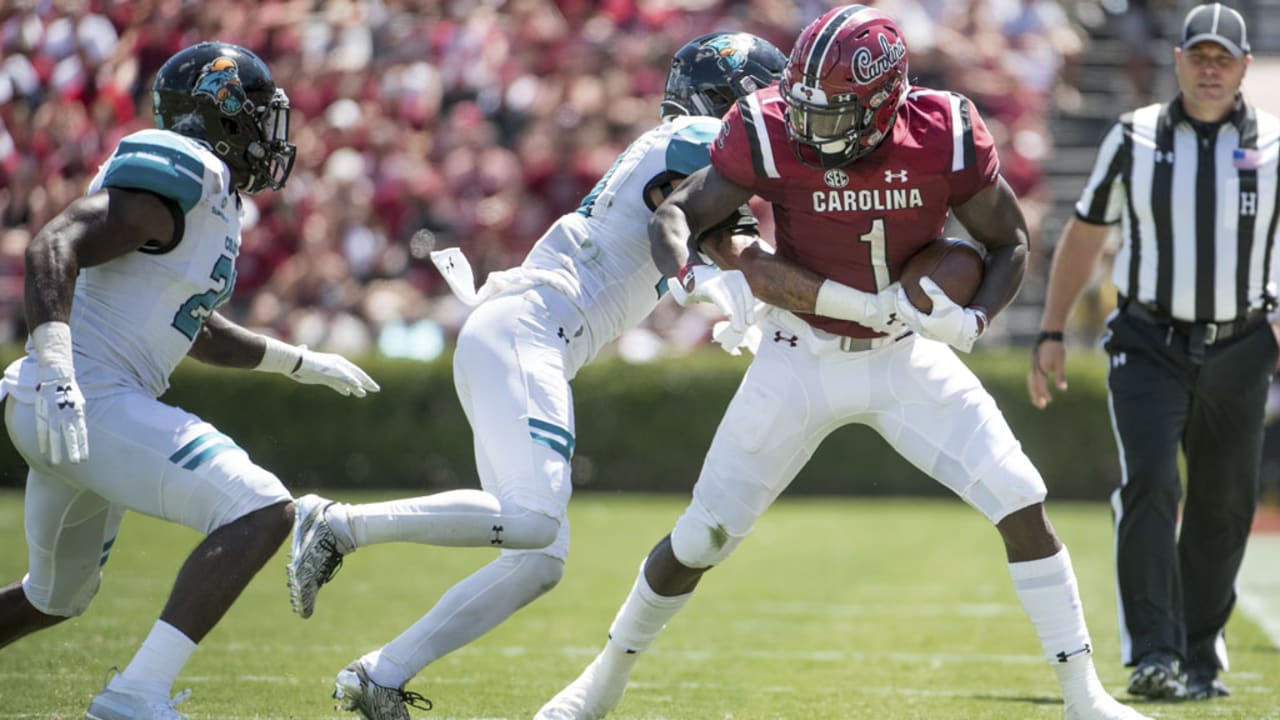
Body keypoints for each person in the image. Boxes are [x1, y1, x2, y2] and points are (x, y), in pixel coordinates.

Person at [536, 6, 1151, 720]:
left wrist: (974, 315)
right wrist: (699, 279)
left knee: (1020, 497)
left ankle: (1084, 695)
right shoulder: (770, 124)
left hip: (902, 355)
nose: (808, 126)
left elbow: (1010, 241)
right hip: (799, 353)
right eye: (803, 106)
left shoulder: (945, 131)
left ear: (886, 104)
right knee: (701, 535)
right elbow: (678, 213)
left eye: (830, 114)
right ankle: (603, 680)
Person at [282, 32, 784, 720]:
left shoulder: (690, 144)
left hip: (529, 335)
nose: (775, 113)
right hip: (530, 329)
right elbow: (690, 222)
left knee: (538, 557)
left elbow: (714, 231)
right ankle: (338, 523)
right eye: (763, 95)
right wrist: (726, 281)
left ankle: (379, 673)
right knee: (531, 519)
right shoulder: (696, 133)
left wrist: (734, 285)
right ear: (727, 96)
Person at [0, 42, 379, 720]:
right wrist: (57, 366)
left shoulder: (214, 202)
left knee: (53, 598)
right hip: (83, 396)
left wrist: (299, 362)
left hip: (70, 407)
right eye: (260, 114)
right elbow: (53, 245)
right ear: (221, 110)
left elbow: (193, 327)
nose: (271, 133)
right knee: (262, 508)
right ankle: (134, 695)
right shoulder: (188, 165)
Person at [1028, 2, 1274, 702]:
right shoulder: (1133, 138)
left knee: (1225, 507)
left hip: (1241, 344)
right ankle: (1156, 655)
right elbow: (1083, 233)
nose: (1208, 68)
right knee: (1152, 486)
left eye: (1222, 58)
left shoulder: (1275, 144)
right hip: (1149, 341)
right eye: (1198, 54)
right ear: (1177, 61)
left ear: (1242, 67)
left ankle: (1200, 653)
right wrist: (1051, 331)